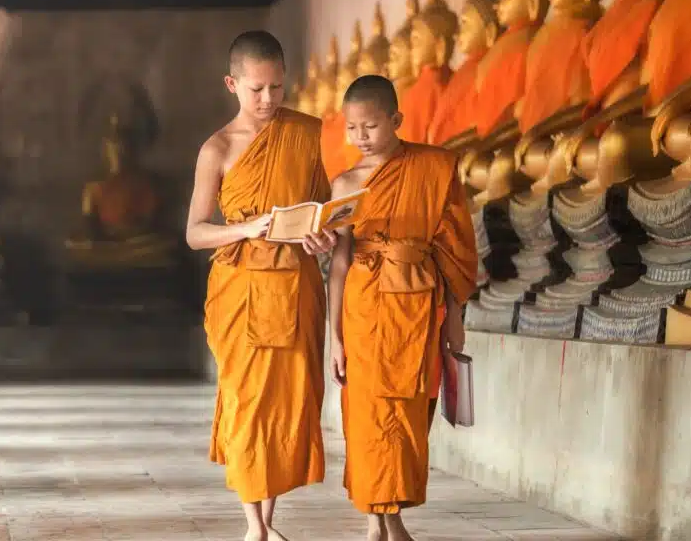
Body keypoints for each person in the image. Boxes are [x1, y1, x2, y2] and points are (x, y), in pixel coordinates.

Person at [185, 30, 337, 541]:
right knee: (249, 405)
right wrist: (246, 228)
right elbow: (195, 232)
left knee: (285, 405)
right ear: (232, 84)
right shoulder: (218, 149)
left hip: (296, 287)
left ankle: (268, 523)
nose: (269, 100)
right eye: (257, 89)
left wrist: (326, 235)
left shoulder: (310, 134)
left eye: (277, 87)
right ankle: (254, 526)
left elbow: (330, 208)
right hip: (243, 291)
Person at [327, 75, 477, 541]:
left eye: (370, 126)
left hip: (417, 306)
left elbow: (454, 251)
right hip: (363, 308)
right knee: (368, 414)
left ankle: (393, 515)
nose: (360, 138)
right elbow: (338, 259)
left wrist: (454, 320)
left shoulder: (434, 169)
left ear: (395, 120)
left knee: (410, 412)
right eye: (352, 128)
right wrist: (333, 336)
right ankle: (379, 521)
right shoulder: (345, 183)